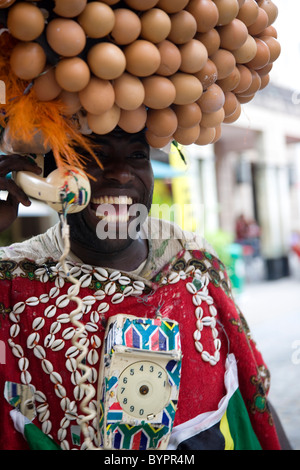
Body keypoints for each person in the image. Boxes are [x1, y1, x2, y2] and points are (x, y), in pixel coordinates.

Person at [0, 127, 291, 451]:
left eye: (137, 154)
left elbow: (252, 397)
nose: (122, 173)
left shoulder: (194, 262)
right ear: (46, 177)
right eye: (92, 155)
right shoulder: (12, 284)